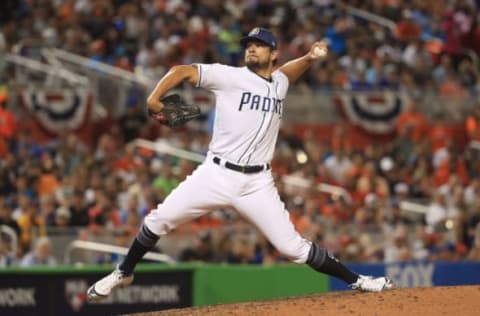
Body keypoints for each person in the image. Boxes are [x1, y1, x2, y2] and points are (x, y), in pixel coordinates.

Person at [87, 27, 393, 301]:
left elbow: (288, 72)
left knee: (293, 248)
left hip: (257, 183)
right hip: (216, 173)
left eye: (259, 45)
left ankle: (356, 280)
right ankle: (124, 272)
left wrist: (310, 57)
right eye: (249, 43)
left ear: (273, 54)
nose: (251, 48)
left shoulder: (280, 82)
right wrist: (154, 99)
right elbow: (182, 70)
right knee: (157, 220)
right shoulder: (229, 76)